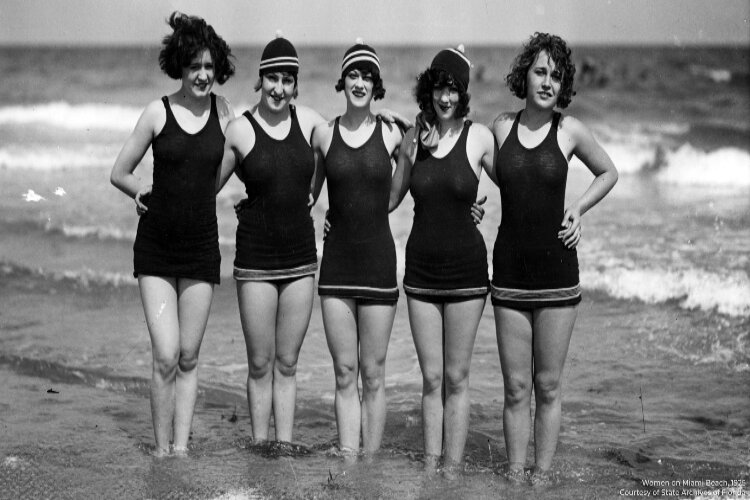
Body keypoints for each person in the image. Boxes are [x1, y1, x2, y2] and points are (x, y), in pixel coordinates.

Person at [216, 34, 410, 446]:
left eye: (287, 79)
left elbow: (368, 156)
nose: (279, 87)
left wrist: (395, 117)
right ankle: (260, 448)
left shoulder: (311, 124)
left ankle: (284, 448)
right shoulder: (252, 130)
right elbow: (207, 184)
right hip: (257, 259)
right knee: (261, 362)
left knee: (288, 363)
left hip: (305, 261)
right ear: (261, 79)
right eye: (272, 78)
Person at [487, 32, 618, 483]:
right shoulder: (501, 126)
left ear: (563, 86)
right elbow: (474, 168)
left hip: (557, 272)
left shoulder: (570, 129)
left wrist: (578, 208)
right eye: (540, 72)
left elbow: (608, 171)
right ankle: (514, 475)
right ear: (524, 74)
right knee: (516, 387)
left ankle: (540, 479)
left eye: (556, 76)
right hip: (507, 273)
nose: (547, 82)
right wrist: (471, 203)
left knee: (547, 385)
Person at [110, 12, 235, 457]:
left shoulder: (224, 111)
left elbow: (235, 163)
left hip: (202, 247)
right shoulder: (156, 112)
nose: (202, 75)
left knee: (188, 357)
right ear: (179, 65)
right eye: (194, 66)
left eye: (208, 66)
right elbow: (119, 172)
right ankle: (160, 451)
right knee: (165, 355)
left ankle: (180, 450)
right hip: (157, 249)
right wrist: (138, 190)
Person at [389, 46, 496, 478]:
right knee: (431, 379)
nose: (445, 97)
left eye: (453, 88)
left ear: (463, 93)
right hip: (421, 272)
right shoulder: (414, 138)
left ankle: (452, 469)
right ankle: (433, 466)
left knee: (457, 377)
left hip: (468, 273)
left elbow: (523, 183)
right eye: (439, 87)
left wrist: (480, 208)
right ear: (428, 89)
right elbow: (392, 199)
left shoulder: (480, 137)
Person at [311, 40, 404, 455]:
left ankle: (370, 461)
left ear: (376, 83)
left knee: (375, 374)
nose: (360, 82)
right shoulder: (323, 135)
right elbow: (305, 196)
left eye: (368, 76)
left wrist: (470, 206)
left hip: (378, 264)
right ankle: (349, 462)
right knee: (345, 372)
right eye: (353, 74)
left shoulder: (391, 133)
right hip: (336, 268)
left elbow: (415, 181)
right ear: (342, 80)